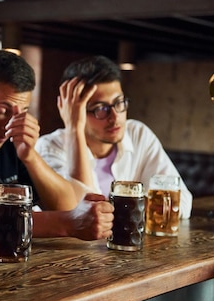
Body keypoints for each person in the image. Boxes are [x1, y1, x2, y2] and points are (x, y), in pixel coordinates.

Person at [0, 49, 114, 240]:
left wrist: (30, 156)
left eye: (22, 111)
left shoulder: (13, 142)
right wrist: (67, 223)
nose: (12, 122)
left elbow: (68, 206)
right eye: (2, 110)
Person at [35, 55, 193, 218]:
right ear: (73, 111)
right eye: (101, 108)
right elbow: (81, 215)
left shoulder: (138, 134)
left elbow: (182, 204)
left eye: (119, 102)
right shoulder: (50, 147)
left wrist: (115, 210)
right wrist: (74, 128)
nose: (115, 116)